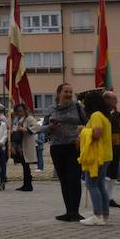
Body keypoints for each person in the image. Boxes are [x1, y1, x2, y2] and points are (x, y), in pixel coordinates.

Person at [44, 83, 87, 222]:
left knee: (74, 179)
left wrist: (81, 136)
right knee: (64, 180)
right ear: (58, 93)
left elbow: (87, 124)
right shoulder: (51, 109)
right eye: (65, 91)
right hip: (57, 147)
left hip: (73, 147)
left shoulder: (77, 107)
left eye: (70, 91)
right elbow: (43, 127)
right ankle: (68, 211)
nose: (68, 94)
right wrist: (50, 127)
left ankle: (76, 212)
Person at [79, 102, 113, 225]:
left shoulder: (96, 115)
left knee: (92, 184)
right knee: (100, 185)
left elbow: (97, 133)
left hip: (98, 156)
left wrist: (83, 131)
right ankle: (104, 215)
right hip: (105, 155)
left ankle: (97, 215)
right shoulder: (104, 116)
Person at [99, 91, 120, 208]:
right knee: (104, 173)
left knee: (113, 173)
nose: (116, 101)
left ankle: (110, 198)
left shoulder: (118, 114)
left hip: (115, 147)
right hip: (104, 147)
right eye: (114, 99)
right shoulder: (100, 114)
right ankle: (103, 197)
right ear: (106, 100)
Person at [10, 104, 40, 192]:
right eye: (18, 112)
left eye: (21, 111)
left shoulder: (29, 118)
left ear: (25, 111)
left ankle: (28, 184)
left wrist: (25, 129)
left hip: (26, 144)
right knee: (24, 165)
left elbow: (37, 127)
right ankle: (26, 184)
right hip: (20, 145)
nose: (19, 113)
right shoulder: (18, 120)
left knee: (26, 165)